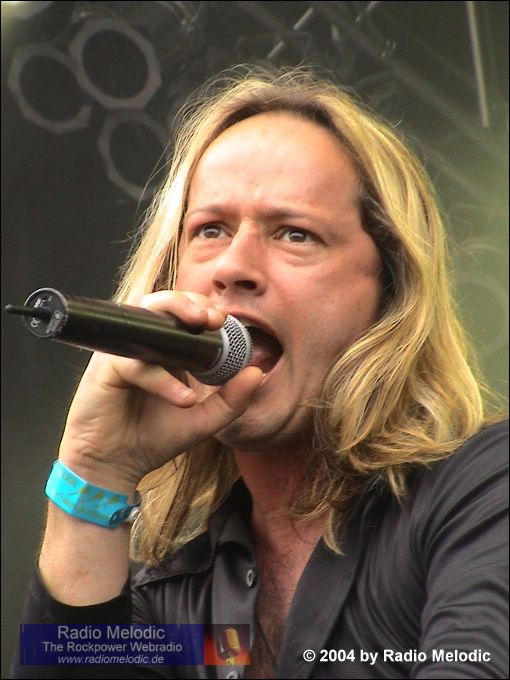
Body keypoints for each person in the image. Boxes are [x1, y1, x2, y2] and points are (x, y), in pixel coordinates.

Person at [12, 65, 508, 679]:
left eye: (295, 234)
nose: (233, 266)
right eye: (210, 230)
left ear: (390, 291)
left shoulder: (484, 493)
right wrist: (93, 472)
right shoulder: (170, 605)